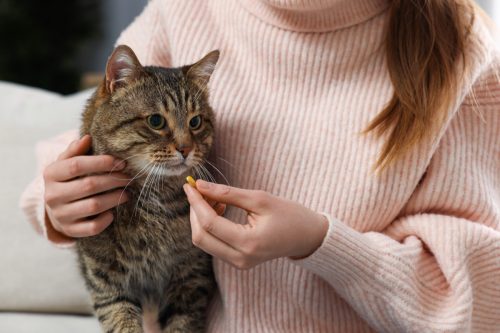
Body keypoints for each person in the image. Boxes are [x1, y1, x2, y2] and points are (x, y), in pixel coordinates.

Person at [20, 0, 500, 331]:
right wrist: (59, 201)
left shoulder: (464, 44)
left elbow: (480, 300)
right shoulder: (187, 9)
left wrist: (320, 243)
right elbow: (99, 126)